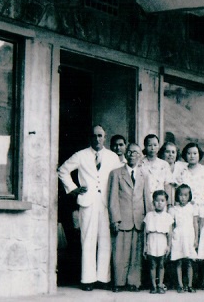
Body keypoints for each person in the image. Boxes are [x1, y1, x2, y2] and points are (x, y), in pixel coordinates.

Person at [58, 125, 122, 291]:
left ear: (105, 137)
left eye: (100, 136)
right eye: (94, 136)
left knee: (105, 240)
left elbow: (119, 178)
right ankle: (87, 279)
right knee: (88, 240)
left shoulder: (113, 157)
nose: (97, 139)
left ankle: (103, 278)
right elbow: (63, 170)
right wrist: (73, 189)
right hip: (87, 202)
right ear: (89, 138)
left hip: (106, 203)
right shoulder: (81, 155)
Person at [108, 142, 152, 292]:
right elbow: (112, 198)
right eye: (130, 152)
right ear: (125, 154)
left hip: (139, 220)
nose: (133, 155)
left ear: (140, 156)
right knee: (120, 252)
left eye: (136, 152)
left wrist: (149, 219)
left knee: (136, 254)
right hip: (122, 219)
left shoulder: (144, 174)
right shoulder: (116, 173)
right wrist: (115, 219)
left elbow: (147, 198)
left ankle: (134, 282)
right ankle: (118, 283)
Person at [169, 184, 198, 293]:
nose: (183, 198)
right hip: (178, 236)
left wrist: (196, 239)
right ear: (177, 196)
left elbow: (195, 224)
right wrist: (171, 240)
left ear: (189, 196)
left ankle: (190, 285)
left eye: (186, 195)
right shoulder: (173, 209)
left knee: (190, 261)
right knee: (179, 261)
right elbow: (171, 226)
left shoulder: (192, 208)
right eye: (181, 195)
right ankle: (180, 285)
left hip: (189, 235)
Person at [144, 190, 174, 294]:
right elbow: (145, 233)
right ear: (153, 203)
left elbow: (170, 234)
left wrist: (169, 246)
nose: (159, 203)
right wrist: (145, 246)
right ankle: (153, 286)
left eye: (162, 200)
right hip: (152, 240)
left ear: (166, 202)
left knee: (161, 265)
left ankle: (160, 284)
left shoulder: (168, 217)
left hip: (162, 241)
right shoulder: (149, 216)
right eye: (157, 201)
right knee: (152, 265)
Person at [141, 134, 174, 205]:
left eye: (155, 145)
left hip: (160, 202)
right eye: (150, 145)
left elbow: (167, 185)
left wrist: (169, 204)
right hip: (144, 200)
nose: (152, 148)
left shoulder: (164, 164)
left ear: (158, 146)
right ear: (145, 146)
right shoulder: (140, 164)